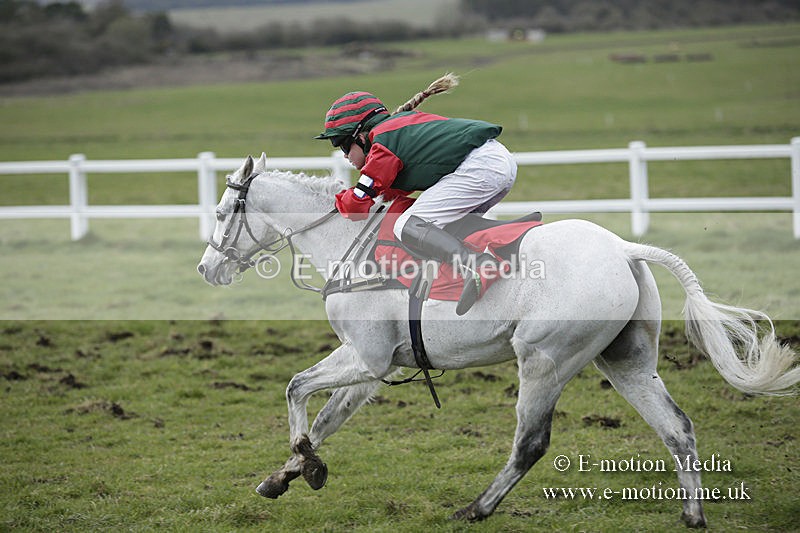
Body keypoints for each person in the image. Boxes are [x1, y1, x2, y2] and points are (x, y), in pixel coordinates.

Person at [315, 74, 518, 315]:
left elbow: (356, 206)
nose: (345, 156)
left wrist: (332, 202)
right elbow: (391, 194)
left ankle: (477, 266)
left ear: (360, 136)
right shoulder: (393, 133)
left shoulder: (383, 143)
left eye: (343, 145)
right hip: (496, 163)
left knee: (407, 224)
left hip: (482, 167)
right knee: (443, 225)